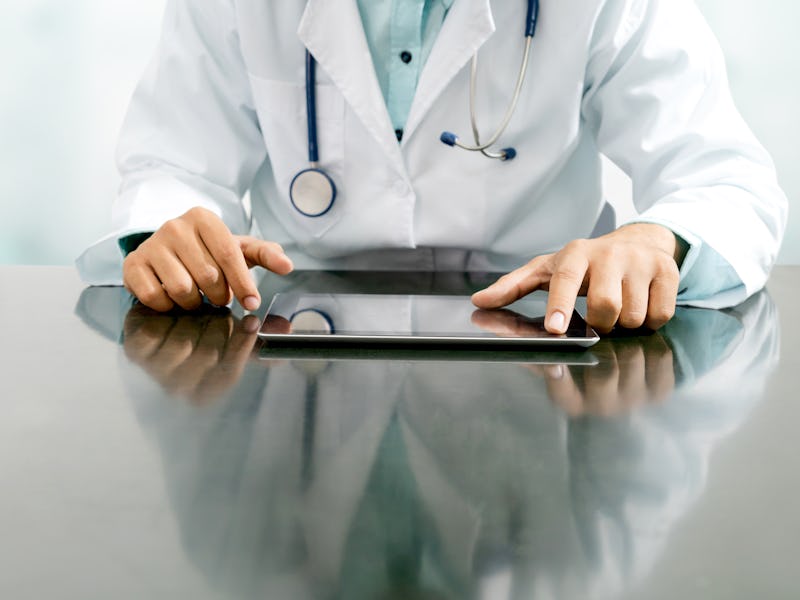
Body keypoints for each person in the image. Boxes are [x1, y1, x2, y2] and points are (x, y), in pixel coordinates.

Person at [77, 0, 787, 334]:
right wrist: (164, 234)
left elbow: (722, 179)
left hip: (546, 342)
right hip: (295, 350)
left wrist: (658, 239)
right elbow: (172, 165)